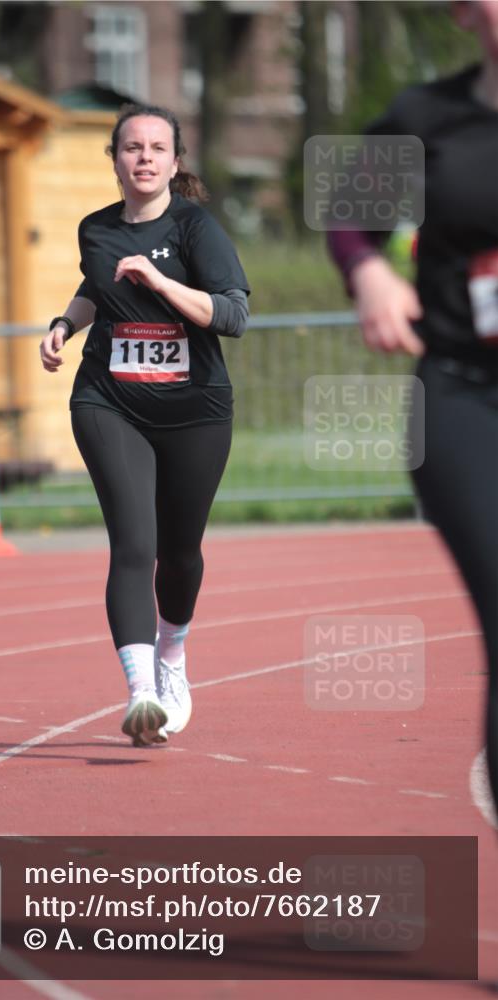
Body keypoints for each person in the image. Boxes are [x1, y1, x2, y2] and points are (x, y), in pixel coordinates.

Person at [327, 0, 498, 811]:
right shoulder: (424, 117)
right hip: (464, 397)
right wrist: (366, 271)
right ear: (468, 11)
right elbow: (348, 215)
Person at [40, 103, 250, 746]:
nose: (145, 158)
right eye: (132, 147)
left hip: (194, 410)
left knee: (179, 553)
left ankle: (173, 659)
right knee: (134, 544)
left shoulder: (196, 229)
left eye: (158, 148)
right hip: (110, 400)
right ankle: (141, 694)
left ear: (175, 161)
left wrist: (160, 282)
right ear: (116, 160)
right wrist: (64, 325)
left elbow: (232, 316)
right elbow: (94, 286)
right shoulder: (95, 229)